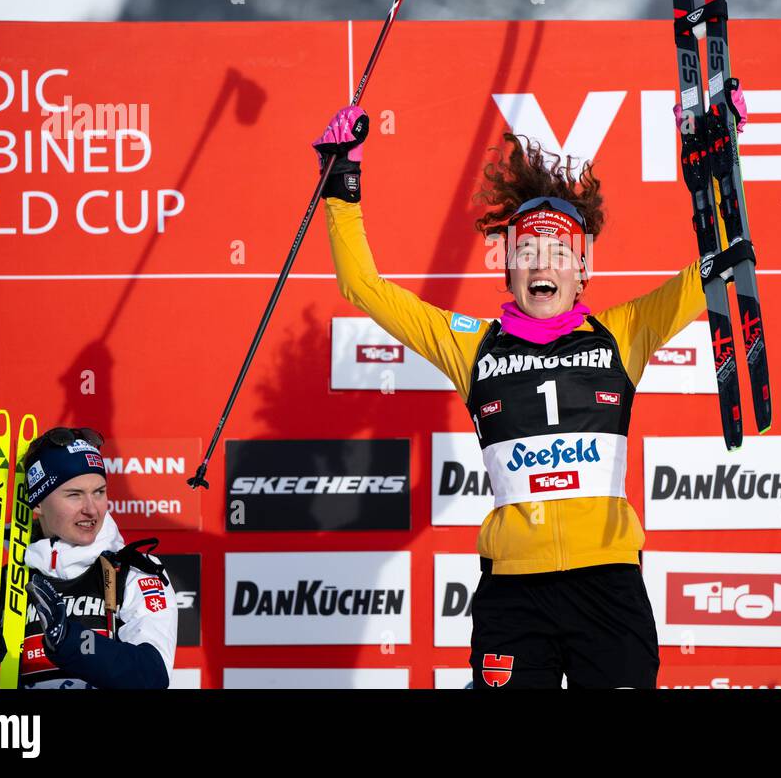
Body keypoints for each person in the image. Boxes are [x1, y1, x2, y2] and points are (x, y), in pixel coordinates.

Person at [312, 100, 749, 687]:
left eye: (560, 253)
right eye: (526, 252)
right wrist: (342, 183)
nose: (543, 264)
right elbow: (362, 287)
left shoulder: (623, 333)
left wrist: (720, 159)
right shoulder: (471, 346)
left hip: (608, 586)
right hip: (514, 592)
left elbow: (721, 263)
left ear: (582, 271)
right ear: (509, 269)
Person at [0, 427, 176, 689]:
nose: (91, 509)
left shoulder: (135, 571)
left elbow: (152, 674)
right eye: (74, 494)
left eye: (99, 491)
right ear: (38, 503)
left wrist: (72, 641)